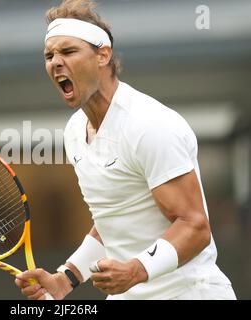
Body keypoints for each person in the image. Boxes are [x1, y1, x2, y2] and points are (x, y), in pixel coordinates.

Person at [15, 0, 236, 300]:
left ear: (102, 55)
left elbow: (195, 226)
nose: (55, 62)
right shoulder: (73, 132)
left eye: (68, 51)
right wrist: (65, 279)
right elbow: (113, 220)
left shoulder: (149, 125)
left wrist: (135, 270)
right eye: (49, 55)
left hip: (189, 293)